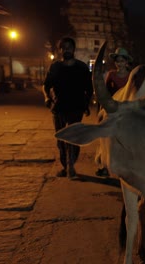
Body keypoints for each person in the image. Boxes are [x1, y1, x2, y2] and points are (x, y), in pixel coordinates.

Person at [43, 37, 93, 179]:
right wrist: (47, 98)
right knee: (60, 139)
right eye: (63, 47)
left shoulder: (82, 68)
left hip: (76, 108)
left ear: (74, 49)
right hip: (58, 108)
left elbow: (89, 89)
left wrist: (86, 105)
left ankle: (71, 166)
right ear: (60, 50)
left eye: (69, 47)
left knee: (73, 138)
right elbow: (46, 85)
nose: (67, 50)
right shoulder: (55, 67)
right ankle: (66, 166)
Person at [95, 47, 133, 177]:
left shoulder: (131, 75)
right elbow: (104, 92)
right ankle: (103, 165)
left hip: (126, 110)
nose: (119, 63)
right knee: (105, 136)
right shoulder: (111, 74)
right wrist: (101, 108)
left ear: (126, 62)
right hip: (112, 109)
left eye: (122, 61)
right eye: (117, 61)